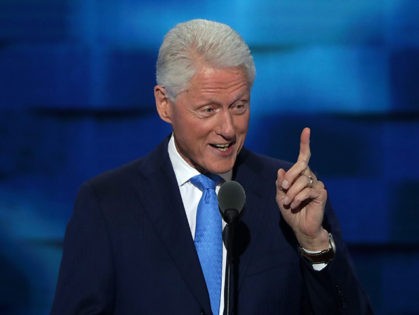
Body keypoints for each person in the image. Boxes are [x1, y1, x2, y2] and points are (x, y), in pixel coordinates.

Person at [50, 19, 373, 314]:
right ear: (164, 104)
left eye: (239, 106)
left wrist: (313, 244)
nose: (228, 128)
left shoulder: (291, 195)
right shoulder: (107, 204)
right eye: (208, 109)